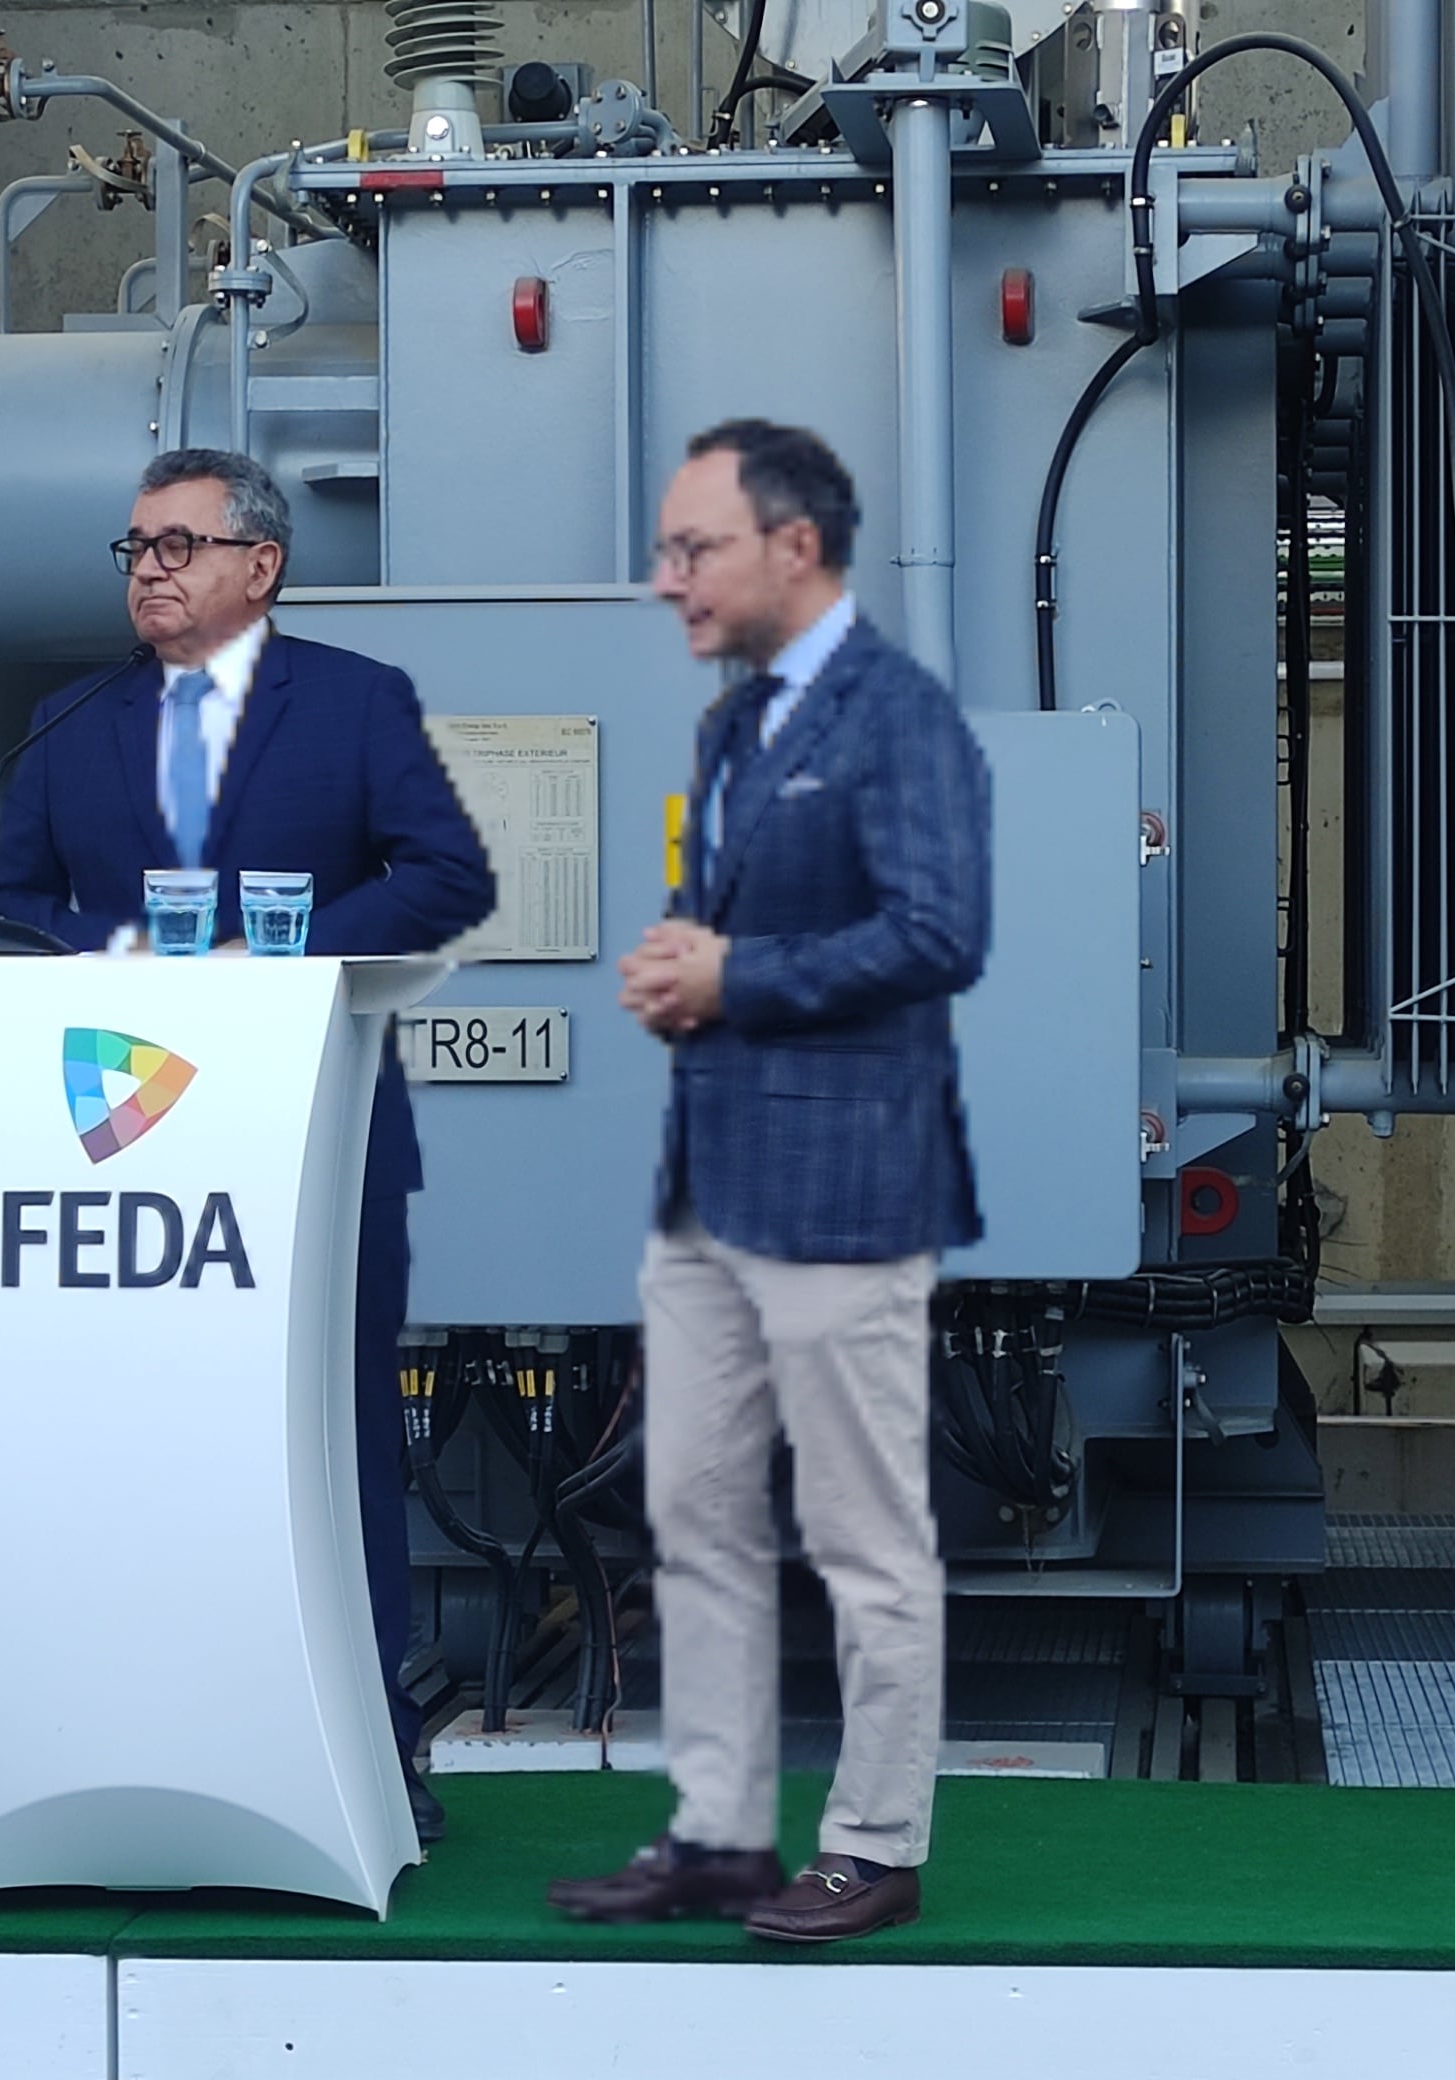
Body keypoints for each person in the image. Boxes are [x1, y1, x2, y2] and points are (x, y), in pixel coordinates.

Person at [0, 447, 495, 1845]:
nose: (150, 568)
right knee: (144, 1448)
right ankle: (146, 1729)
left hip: (316, 1138)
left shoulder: (356, 705)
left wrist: (278, 965)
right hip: (120, 1161)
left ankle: (370, 1747)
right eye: (135, 547)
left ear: (259, 566)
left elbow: (449, 872)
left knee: (333, 1437)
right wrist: (136, 961)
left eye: (180, 545)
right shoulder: (65, 721)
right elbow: (9, 904)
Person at [548, 421, 990, 1944]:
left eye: (695, 547)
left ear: (794, 548)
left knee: (865, 1534)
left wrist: (739, 974)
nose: (668, 577)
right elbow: (726, 927)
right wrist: (686, 965)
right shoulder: (736, 731)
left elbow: (943, 936)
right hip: (709, 1193)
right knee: (699, 1516)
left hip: (848, 1191)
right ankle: (722, 1833)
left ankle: (872, 1842)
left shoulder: (899, 718)